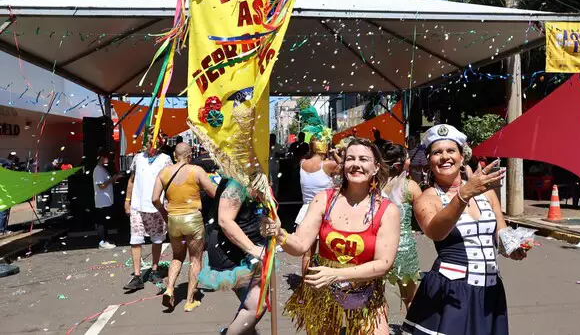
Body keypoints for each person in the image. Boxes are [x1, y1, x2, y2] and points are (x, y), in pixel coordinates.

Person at [262, 137, 400, 335]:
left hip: (366, 293)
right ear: (343, 165)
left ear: (376, 167)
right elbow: (300, 245)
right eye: (350, 159)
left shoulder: (387, 210)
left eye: (363, 159)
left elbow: (383, 264)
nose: (356, 164)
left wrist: (337, 274)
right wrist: (280, 233)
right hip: (324, 293)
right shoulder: (324, 199)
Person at [403, 124, 527, 335]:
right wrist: (463, 195)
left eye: (451, 151)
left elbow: (501, 233)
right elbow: (435, 232)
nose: (444, 157)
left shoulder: (487, 194)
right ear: (429, 161)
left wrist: (513, 247)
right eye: (437, 152)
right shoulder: (427, 199)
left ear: (462, 157)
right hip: (450, 291)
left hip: (490, 289)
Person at [152, 143, 218, 312]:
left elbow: (154, 199)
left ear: (175, 156)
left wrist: (165, 213)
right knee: (195, 259)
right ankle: (190, 300)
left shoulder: (163, 173)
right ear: (189, 156)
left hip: (173, 219)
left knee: (177, 257)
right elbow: (214, 193)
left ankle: (169, 289)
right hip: (193, 219)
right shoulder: (196, 171)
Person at [198, 179, 268, 334]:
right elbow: (224, 220)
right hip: (233, 251)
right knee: (256, 305)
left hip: (249, 249)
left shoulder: (252, 180)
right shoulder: (237, 184)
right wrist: (252, 248)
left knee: (254, 302)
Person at [123, 130, 172, 291]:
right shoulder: (138, 158)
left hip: (157, 206)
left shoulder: (165, 159)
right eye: (148, 141)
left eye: (153, 141)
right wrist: (127, 201)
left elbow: (169, 183)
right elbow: (131, 181)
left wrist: (170, 203)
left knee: (157, 240)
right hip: (138, 205)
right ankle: (137, 276)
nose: (150, 145)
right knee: (135, 240)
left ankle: (154, 270)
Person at [381, 143, 422, 309]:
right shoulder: (411, 187)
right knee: (411, 299)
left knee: (375, 299)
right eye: (408, 157)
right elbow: (423, 217)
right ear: (401, 163)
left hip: (377, 249)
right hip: (404, 250)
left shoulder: (373, 186)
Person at [296, 136, 339, 275]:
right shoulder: (329, 164)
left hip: (306, 210)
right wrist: (334, 154)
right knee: (328, 252)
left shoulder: (302, 162)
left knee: (307, 252)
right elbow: (346, 167)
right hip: (325, 210)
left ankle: (305, 282)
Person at [93, 149, 124, 249]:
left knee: (105, 221)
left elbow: (106, 183)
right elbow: (101, 186)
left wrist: (115, 178)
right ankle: (102, 241)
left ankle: (105, 239)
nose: (107, 160)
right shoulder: (98, 170)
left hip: (106, 199)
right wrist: (113, 179)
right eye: (105, 158)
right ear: (101, 158)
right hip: (102, 200)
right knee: (102, 222)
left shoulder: (102, 169)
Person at [269, 133, 285, 198]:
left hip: (275, 166)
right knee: (268, 180)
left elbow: (283, 154)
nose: (273, 140)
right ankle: (269, 195)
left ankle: (275, 195)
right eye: (271, 138)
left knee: (275, 180)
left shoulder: (278, 146)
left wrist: (279, 154)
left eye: (274, 138)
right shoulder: (266, 145)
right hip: (268, 167)